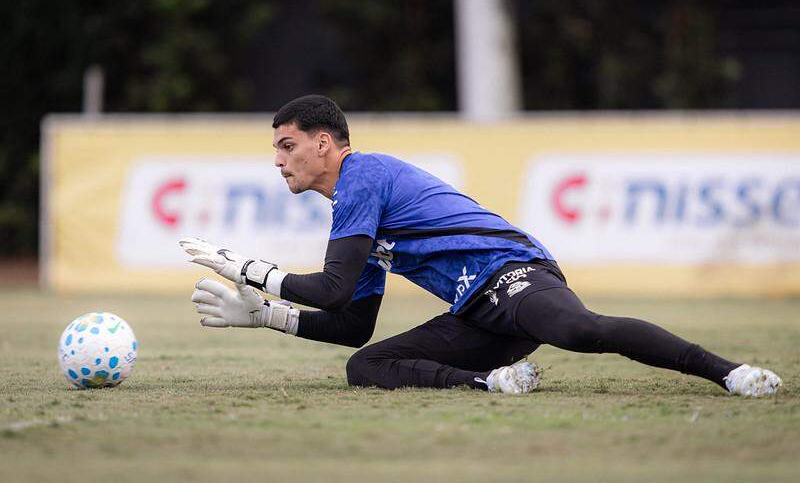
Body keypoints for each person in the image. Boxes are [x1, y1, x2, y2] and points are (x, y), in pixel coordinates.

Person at [181, 95, 782, 397]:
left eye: (287, 145)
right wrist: (270, 318)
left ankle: (731, 374)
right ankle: (491, 384)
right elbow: (352, 322)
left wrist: (248, 269)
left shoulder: (362, 174)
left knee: (577, 330)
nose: (278, 159)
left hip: (511, 272)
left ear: (322, 143)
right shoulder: (348, 207)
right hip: (477, 308)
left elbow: (332, 287)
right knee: (365, 368)